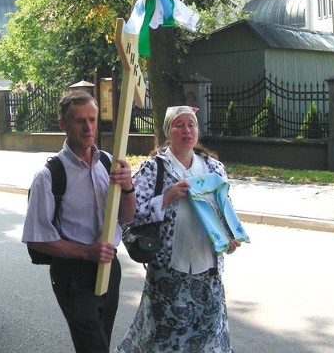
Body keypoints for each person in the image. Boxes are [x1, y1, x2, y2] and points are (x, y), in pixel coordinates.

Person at [115, 106, 241, 353]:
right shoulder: (154, 168)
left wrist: (230, 237)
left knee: (209, 341)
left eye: (191, 125)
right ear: (168, 132)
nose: (187, 130)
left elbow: (226, 212)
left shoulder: (214, 168)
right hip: (169, 272)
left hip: (208, 273)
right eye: (179, 125)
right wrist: (166, 198)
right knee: (163, 339)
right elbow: (131, 215)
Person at [22, 90, 136, 353]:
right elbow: (38, 239)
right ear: (62, 124)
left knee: (102, 337)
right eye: (79, 121)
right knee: (92, 345)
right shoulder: (49, 176)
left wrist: (128, 186)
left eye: (93, 120)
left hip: (109, 266)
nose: (88, 128)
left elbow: (128, 216)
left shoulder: (107, 162)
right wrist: (86, 252)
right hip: (72, 273)